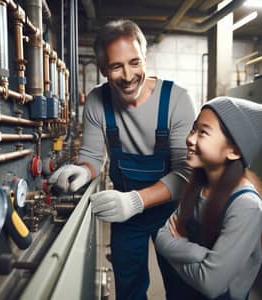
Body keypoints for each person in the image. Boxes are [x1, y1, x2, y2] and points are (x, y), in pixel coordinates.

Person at [49, 19, 196, 299]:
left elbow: (185, 174)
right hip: (127, 217)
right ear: (103, 69)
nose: (128, 76)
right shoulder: (96, 101)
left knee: (181, 288)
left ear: (145, 58)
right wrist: (82, 171)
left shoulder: (177, 100)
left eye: (134, 62)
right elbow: (92, 157)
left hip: (175, 213)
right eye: (116, 66)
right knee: (128, 289)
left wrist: (136, 200)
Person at [155, 96, 262, 300]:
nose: (190, 139)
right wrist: (200, 256)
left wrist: (176, 249)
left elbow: (211, 284)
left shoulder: (246, 205)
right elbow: (161, 238)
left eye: (203, 132)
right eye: (193, 129)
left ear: (235, 150)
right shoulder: (199, 186)